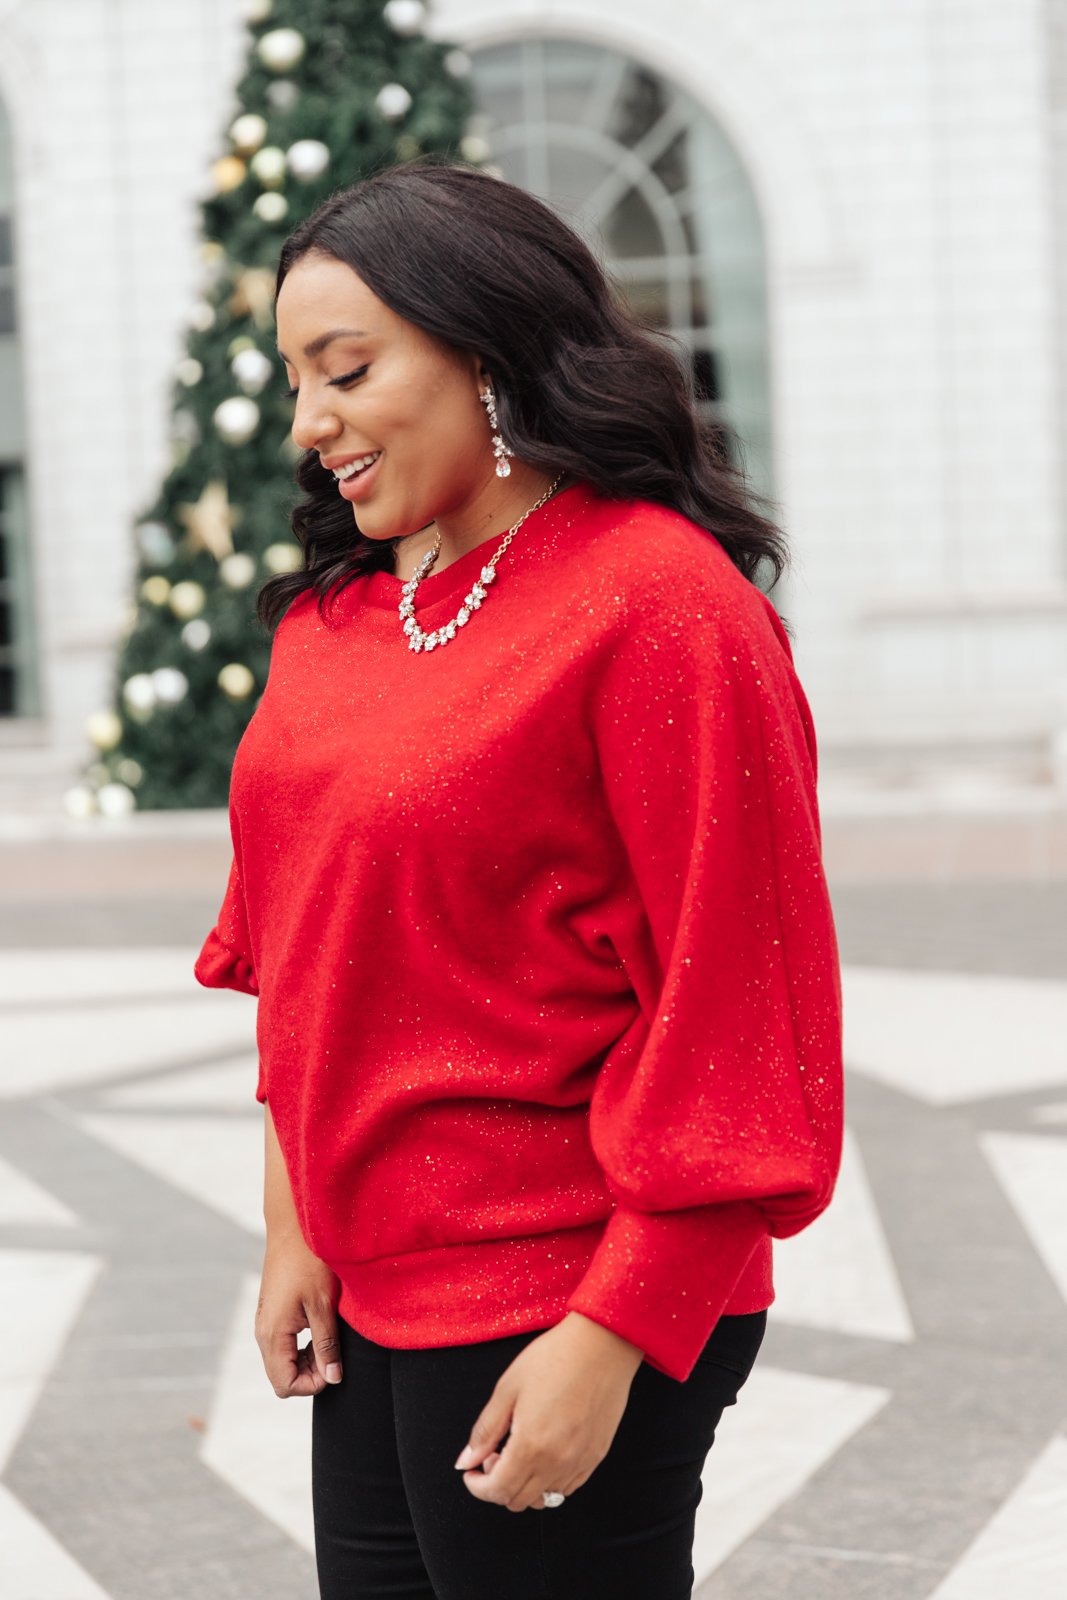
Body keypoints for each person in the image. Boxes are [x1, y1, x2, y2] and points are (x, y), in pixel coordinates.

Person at [194, 156, 844, 1600]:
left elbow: (747, 1018)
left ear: (483, 352)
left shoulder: (661, 605)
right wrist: (295, 1215)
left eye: (346, 369)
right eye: (295, 377)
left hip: (567, 1288)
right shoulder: (346, 614)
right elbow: (304, 947)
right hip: (372, 1293)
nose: (311, 426)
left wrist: (619, 1332)